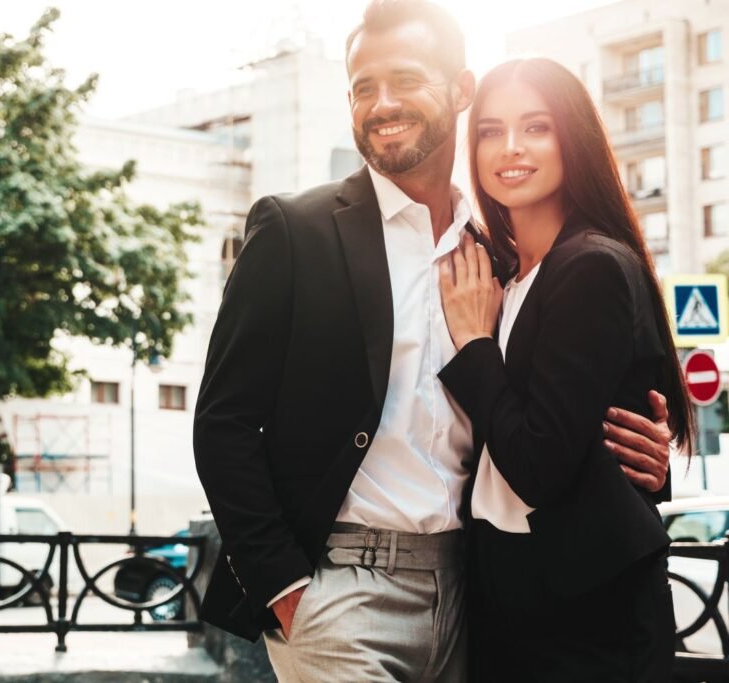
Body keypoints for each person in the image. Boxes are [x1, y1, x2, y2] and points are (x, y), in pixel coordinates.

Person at [193, 1, 673, 680]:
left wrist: (638, 457)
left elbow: (545, 416)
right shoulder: (296, 232)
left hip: (478, 596)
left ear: (460, 90)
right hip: (339, 592)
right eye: (363, 87)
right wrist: (283, 587)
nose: (382, 103)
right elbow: (224, 422)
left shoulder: (501, 256)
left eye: (405, 79)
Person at [437, 57, 689, 683]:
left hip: (587, 615)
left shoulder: (591, 267)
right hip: (503, 592)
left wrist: (475, 345)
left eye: (536, 127)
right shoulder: (498, 276)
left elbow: (538, 464)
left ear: (572, 138)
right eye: (490, 131)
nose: (510, 147)